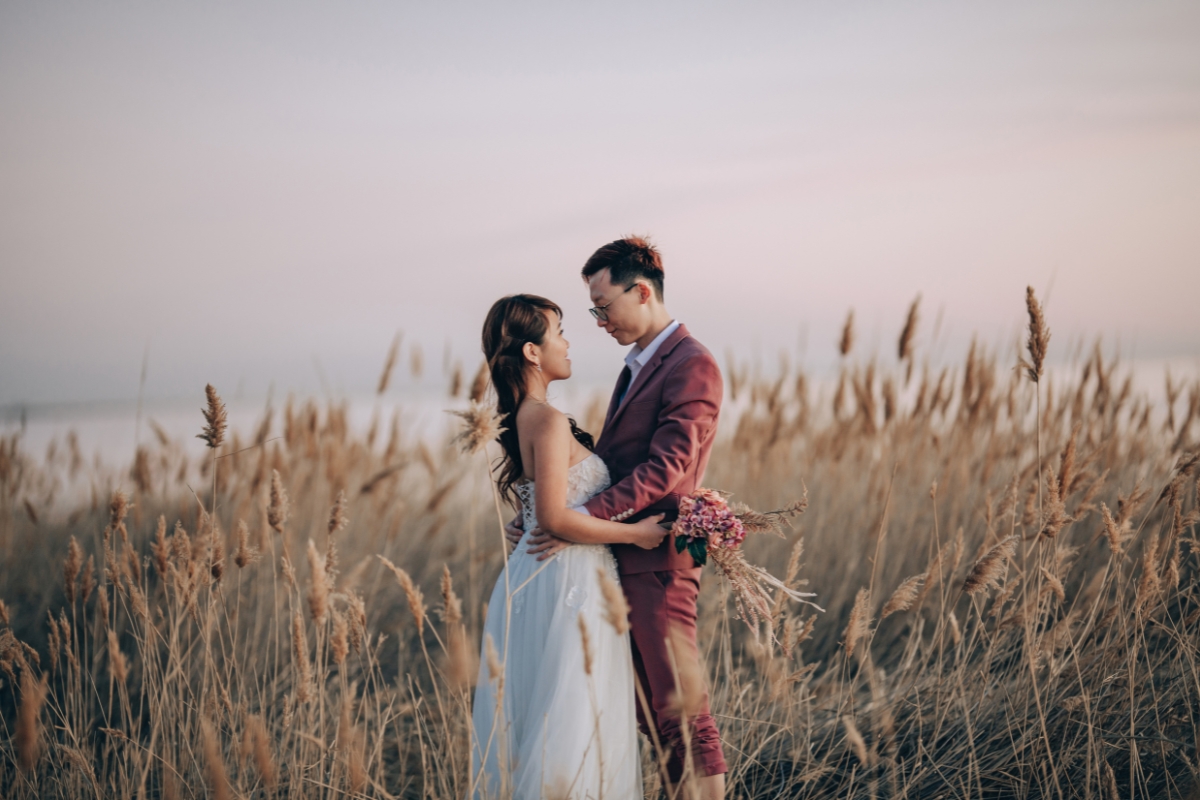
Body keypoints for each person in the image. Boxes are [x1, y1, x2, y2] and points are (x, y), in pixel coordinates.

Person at [511, 237, 729, 800]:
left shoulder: (691, 363)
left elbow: (667, 469)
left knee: (683, 710)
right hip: (615, 562)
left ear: (642, 291)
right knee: (646, 713)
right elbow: (615, 466)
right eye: (593, 310)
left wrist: (572, 516)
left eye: (603, 306)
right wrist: (545, 513)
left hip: (658, 560)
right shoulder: (638, 366)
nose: (599, 320)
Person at [470, 293, 668, 800]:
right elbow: (557, 516)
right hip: (569, 583)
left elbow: (541, 505)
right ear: (533, 352)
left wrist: (526, 519)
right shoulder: (548, 420)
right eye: (558, 331)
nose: (567, 341)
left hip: (539, 577)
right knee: (574, 727)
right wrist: (638, 535)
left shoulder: (524, 417)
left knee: (550, 723)